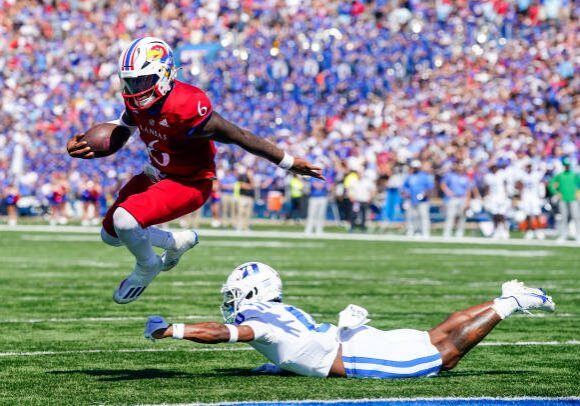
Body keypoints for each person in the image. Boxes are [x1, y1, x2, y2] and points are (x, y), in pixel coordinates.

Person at [66, 37, 323, 304]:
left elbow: (239, 135)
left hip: (188, 183)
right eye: (130, 81)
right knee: (110, 236)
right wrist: (88, 141)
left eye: (142, 81)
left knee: (124, 220)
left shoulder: (187, 106)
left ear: (164, 74)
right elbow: (123, 128)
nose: (135, 89)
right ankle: (174, 242)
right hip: (155, 173)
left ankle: (147, 267)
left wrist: (289, 162)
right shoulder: (138, 102)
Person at [144, 262, 555, 379]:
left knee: (442, 355)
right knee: (435, 336)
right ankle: (506, 296)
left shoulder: (260, 322)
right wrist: (278, 364)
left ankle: (512, 302)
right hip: (352, 341)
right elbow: (297, 349)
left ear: (252, 295)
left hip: (358, 356)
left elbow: (219, 333)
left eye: (235, 296)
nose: (231, 304)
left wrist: (171, 330)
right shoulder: (280, 311)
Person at [441, 162, 479, 238]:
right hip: (453, 198)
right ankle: (447, 232)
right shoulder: (450, 175)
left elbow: (468, 190)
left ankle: (459, 232)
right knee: (450, 216)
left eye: (462, 167)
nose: (460, 168)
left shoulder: (466, 178)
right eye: (459, 167)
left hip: (462, 198)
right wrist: (448, 192)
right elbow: (443, 184)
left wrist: (468, 201)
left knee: (462, 216)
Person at [548, 158, 580, 242]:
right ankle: (563, 235)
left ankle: (578, 235)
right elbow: (551, 184)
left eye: (568, 165)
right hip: (563, 199)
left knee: (576, 217)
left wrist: (578, 192)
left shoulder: (574, 175)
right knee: (564, 218)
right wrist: (556, 192)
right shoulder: (560, 175)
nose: (567, 167)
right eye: (566, 165)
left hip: (573, 199)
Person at [401, 161, 434, 238]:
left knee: (423, 216)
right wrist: (406, 194)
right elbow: (404, 187)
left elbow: (430, 188)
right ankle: (413, 231)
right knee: (412, 217)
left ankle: (425, 232)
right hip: (412, 200)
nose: (415, 169)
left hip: (423, 201)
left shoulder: (425, 176)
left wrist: (425, 194)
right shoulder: (409, 177)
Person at [517, 163, 546, 240]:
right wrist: (520, 195)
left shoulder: (536, 174)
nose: (529, 168)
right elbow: (520, 185)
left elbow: (542, 182)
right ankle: (529, 230)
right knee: (528, 214)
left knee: (537, 213)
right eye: (528, 167)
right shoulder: (523, 175)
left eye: (530, 167)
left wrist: (541, 193)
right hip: (526, 196)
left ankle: (539, 230)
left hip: (535, 196)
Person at [483, 163, 511, 239]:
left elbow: (505, 184)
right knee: (495, 215)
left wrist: (506, 194)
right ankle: (496, 230)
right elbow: (487, 188)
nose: (494, 169)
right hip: (493, 198)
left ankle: (504, 230)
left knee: (502, 215)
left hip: (502, 197)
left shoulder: (502, 174)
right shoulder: (488, 176)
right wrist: (486, 197)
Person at [236, 166, 255, 231]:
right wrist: (250, 186)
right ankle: (239, 226)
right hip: (243, 196)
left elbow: (254, 186)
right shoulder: (242, 176)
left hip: (250, 197)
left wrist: (250, 178)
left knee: (248, 213)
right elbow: (242, 186)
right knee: (241, 212)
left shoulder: (251, 178)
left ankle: (246, 227)